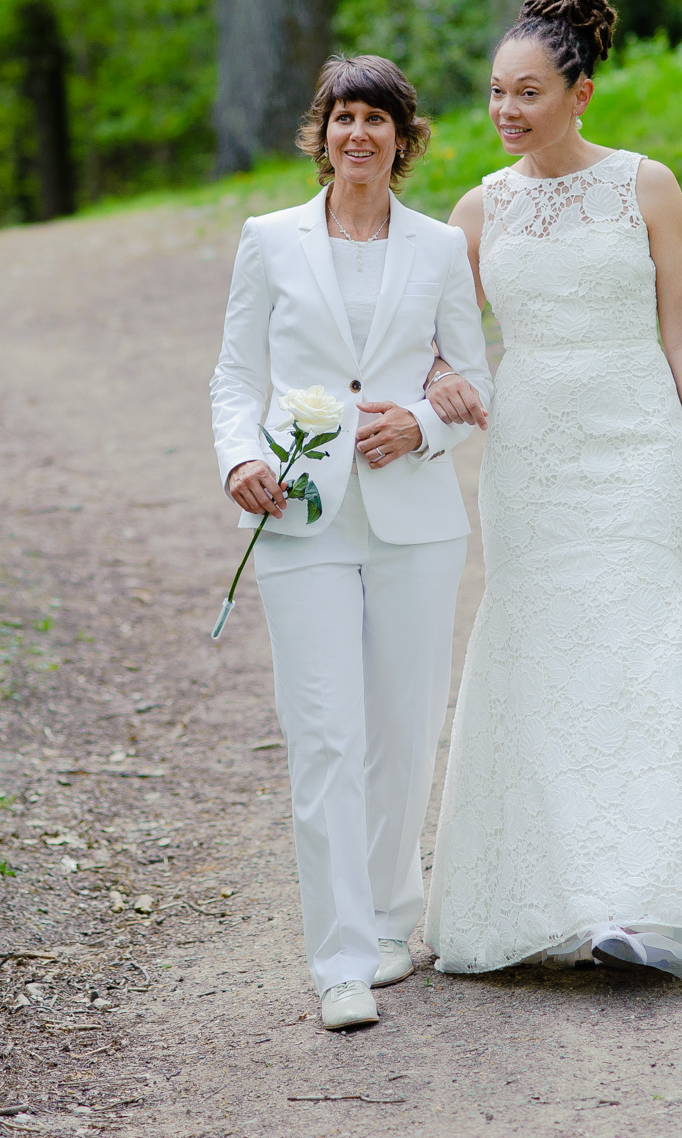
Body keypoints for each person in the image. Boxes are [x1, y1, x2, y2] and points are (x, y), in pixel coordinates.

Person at [424, 0, 682, 988]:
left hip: (635, 444)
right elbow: (435, 340)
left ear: (580, 91)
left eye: (527, 91)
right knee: (540, 649)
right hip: (528, 458)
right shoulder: (478, 206)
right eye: (494, 92)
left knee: (641, 646)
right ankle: (560, 895)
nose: (505, 111)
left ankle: (649, 893)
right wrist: (429, 385)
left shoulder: (646, 185)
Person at [210, 55, 492, 1029]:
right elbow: (233, 378)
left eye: (376, 118)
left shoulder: (438, 248)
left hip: (414, 516)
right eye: (341, 117)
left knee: (402, 729)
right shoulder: (268, 240)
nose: (357, 133)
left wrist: (423, 420)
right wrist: (238, 459)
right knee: (325, 731)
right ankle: (335, 959)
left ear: (402, 139)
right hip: (298, 518)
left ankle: (387, 922)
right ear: (319, 134)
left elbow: (473, 380)